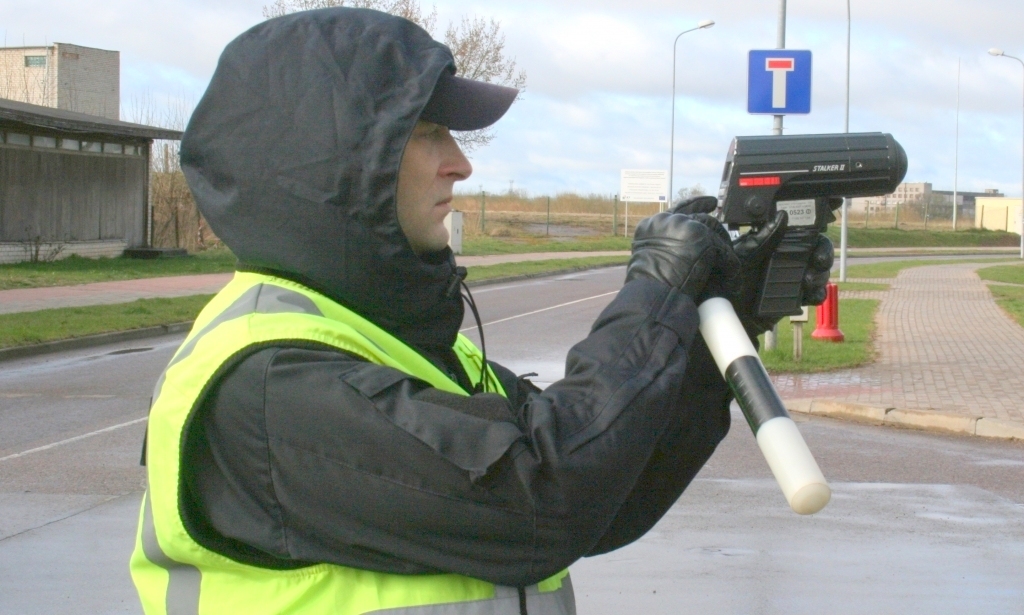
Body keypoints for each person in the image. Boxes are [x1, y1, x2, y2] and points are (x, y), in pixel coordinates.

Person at [130, 7, 833, 615]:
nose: (460, 163)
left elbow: (604, 498)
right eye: (428, 131)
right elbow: (542, 498)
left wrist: (714, 325)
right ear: (337, 160)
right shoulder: (267, 383)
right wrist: (654, 295)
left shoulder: (411, 350)